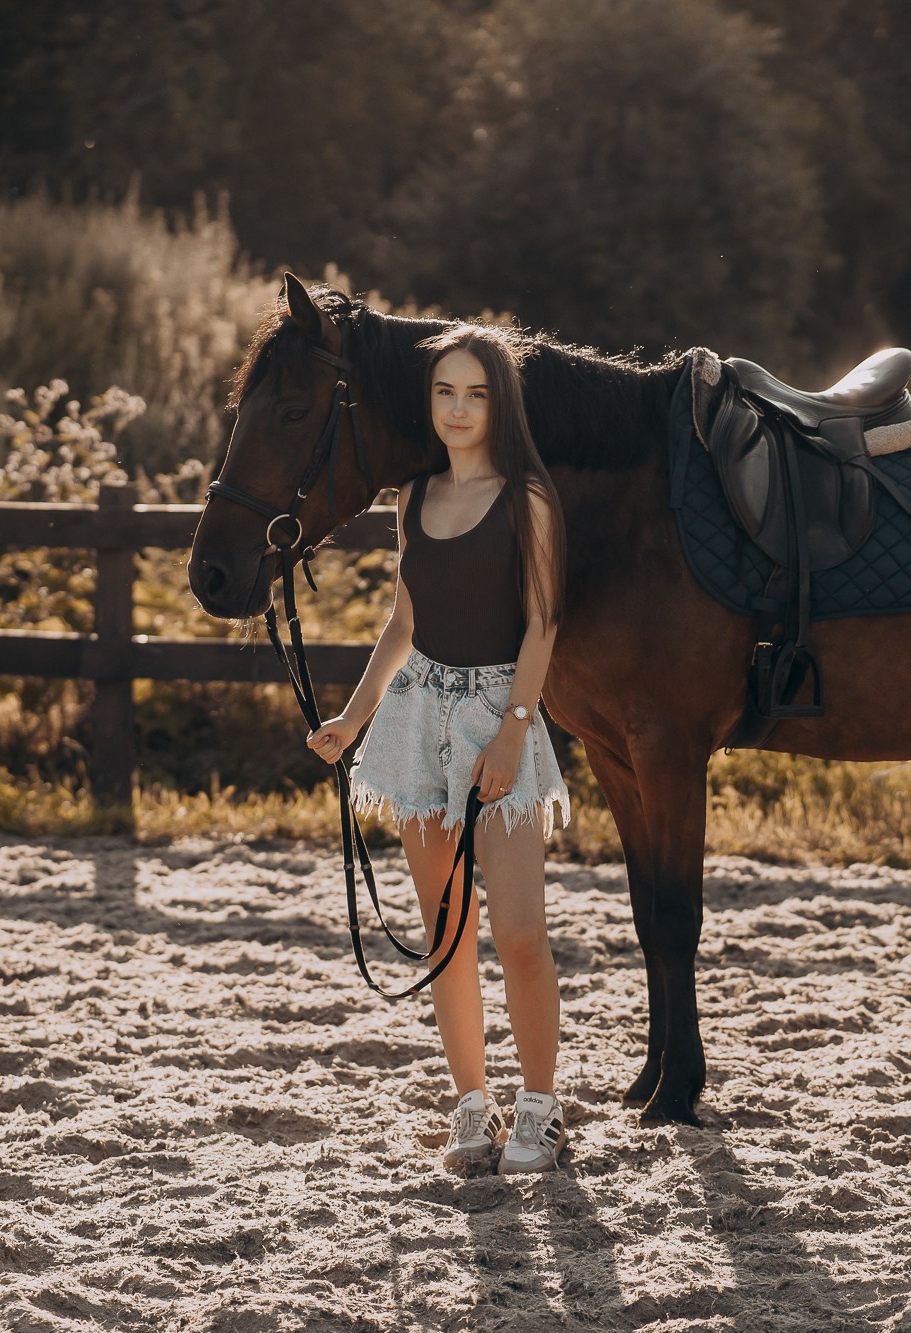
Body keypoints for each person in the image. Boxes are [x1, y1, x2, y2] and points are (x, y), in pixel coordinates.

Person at [305, 324, 572, 1174]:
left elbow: (541, 626)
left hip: (501, 715)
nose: (458, 409)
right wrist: (351, 720)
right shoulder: (411, 498)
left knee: (522, 931)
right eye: (444, 392)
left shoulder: (528, 496)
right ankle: (471, 1104)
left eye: (476, 393)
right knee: (445, 930)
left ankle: (540, 1106)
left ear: (500, 403)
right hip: (420, 713)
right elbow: (404, 624)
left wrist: (513, 729)